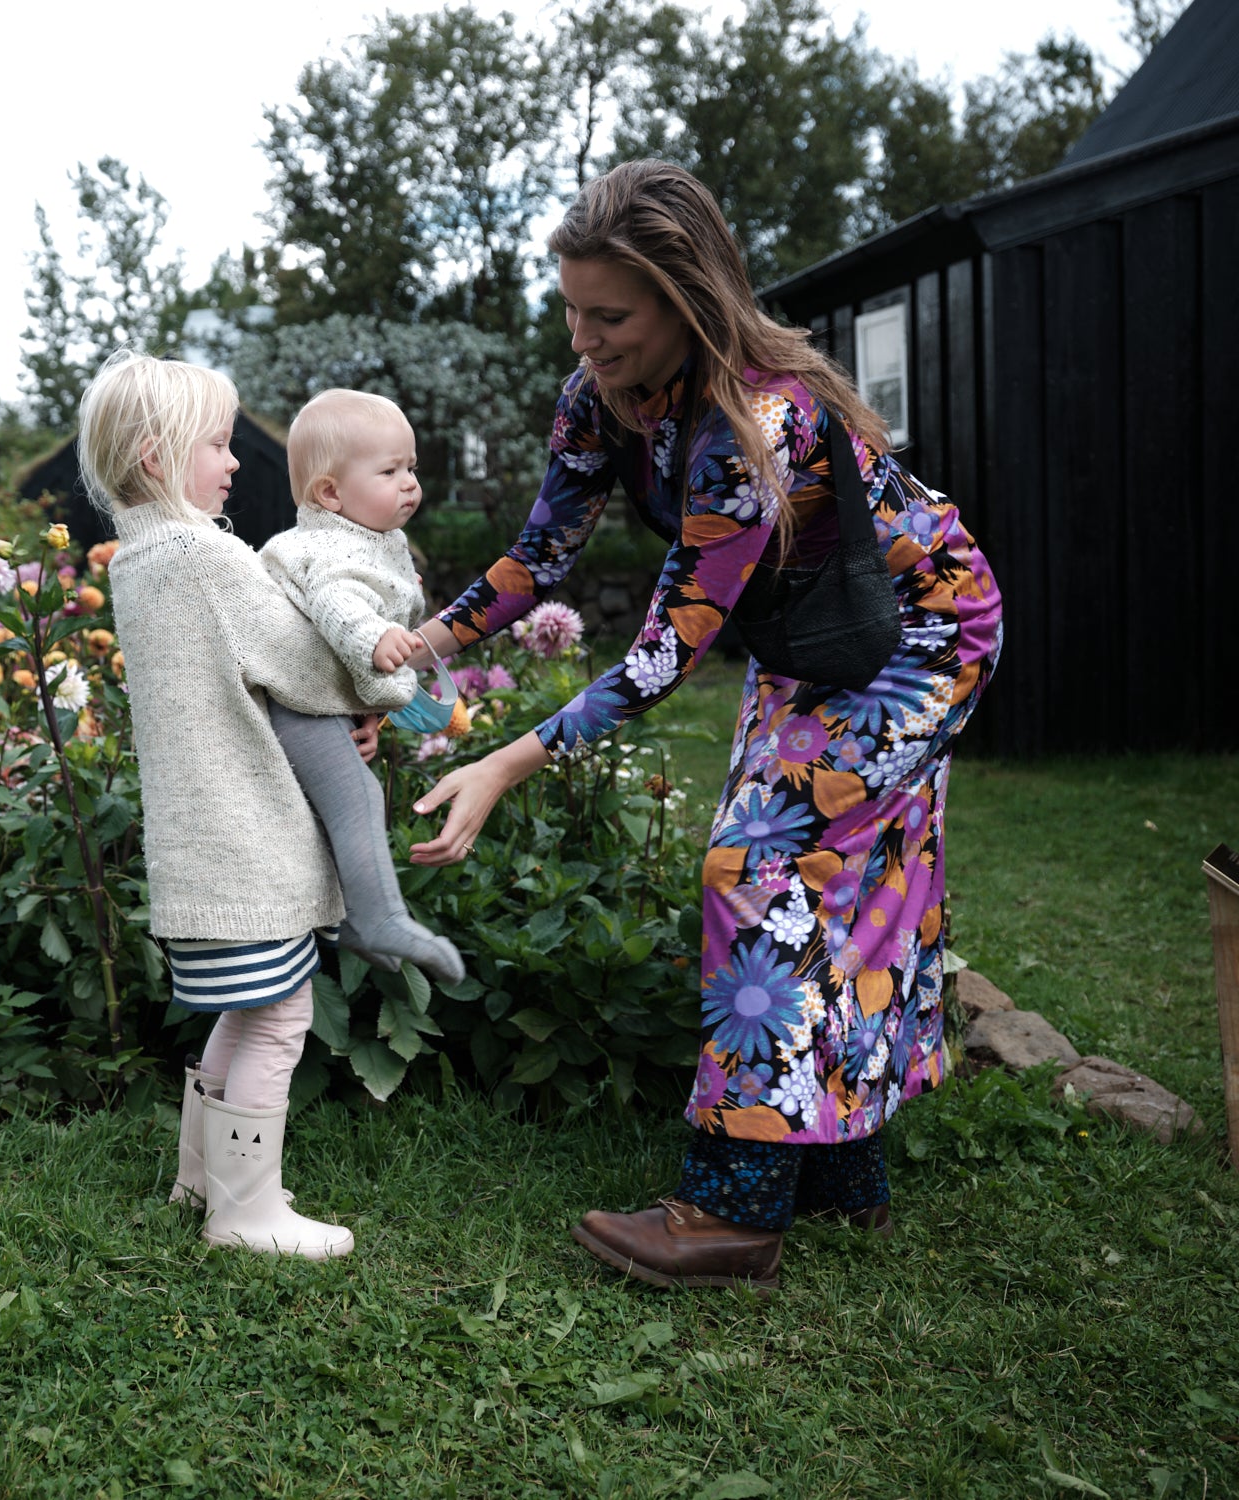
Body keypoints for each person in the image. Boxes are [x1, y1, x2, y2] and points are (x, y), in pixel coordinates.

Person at [406, 160, 1003, 1293]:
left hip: (922, 634)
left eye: (610, 315)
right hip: (812, 639)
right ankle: (836, 1175)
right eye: (571, 310)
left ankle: (731, 1210)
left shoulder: (756, 425)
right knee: (823, 877)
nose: (583, 338)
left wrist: (507, 762)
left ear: (685, 298)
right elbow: (540, 554)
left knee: (756, 866)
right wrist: (422, 644)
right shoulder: (600, 394)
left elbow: (664, 650)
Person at [79, 350, 410, 1260]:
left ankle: (205, 1182)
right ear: (157, 456)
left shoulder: (139, 559)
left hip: (200, 842)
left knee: (244, 1009)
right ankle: (246, 1214)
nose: (233, 463)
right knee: (278, 1019)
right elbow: (299, 663)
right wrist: (379, 695)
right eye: (218, 444)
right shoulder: (203, 553)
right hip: (246, 837)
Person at [259, 389, 464, 985]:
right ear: (330, 494)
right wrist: (375, 637)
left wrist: (367, 717)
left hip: (327, 709)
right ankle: (379, 919)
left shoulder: (372, 538)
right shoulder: (327, 546)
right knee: (360, 801)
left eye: (412, 468)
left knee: (346, 807)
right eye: (390, 471)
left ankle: (358, 919)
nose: (409, 484)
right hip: (301, 712)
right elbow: (336, 604)